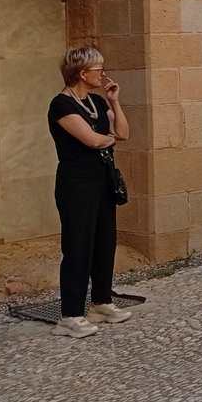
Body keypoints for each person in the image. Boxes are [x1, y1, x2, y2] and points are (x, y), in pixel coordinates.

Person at [47, 47, 132, 338]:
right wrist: (107, 139)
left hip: (102, 180)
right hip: (77, 183)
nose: (103, 74)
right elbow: (92, 140)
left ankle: (101, 301)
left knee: (105, 242)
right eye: (98, 70)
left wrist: (115, 103)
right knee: (77, 246)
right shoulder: (61, 105)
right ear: (82, 73)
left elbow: (123, 133)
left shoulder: (96, 101)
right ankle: (70, 315)